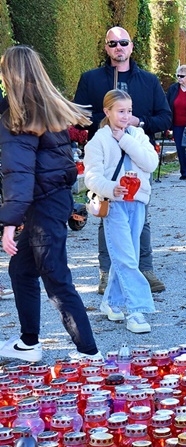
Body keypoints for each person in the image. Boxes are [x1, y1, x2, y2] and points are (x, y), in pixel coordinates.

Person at [0, 45, 102, 362]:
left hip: (42, 205)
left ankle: (89, 353)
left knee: (56, 278)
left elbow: (19, 174)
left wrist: (7, 223)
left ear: (9, 74)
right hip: (50, 200)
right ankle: (29, 343)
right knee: (21, 269)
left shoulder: (19, 113)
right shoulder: (46, 106)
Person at [74, 26, 171, 295]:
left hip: (138, 156)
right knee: (107, 213)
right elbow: (79, 115)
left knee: (141, 213)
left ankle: (145, 267)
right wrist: (108, 124)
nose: (119, 47)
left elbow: (165, 118)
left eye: (123, 42)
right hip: (105, 156)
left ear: (131, 46)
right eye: (113, 43)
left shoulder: (149, 81)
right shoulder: (91, 79)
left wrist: (137, 122)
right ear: (106, 48)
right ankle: (107, 272)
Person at [84, 89, 159, 333]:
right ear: (107, 112)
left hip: (137, 201)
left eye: (129, 111)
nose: (126, 116)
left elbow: (150, 163)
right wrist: (110, 188)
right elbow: (92, 176)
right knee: (126, 256)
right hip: (114, 203)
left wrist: (125, 139)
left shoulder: (137, 134)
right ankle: (137, 310)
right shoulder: (98, 141)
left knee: (127, 254)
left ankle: (111, 302)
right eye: (121, 111)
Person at [166, 65, 186, 181]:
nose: (179, 78)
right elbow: (167, 104)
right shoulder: (173, 89)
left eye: (182, 76)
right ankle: (184, 171)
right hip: (177, 124)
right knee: (180, 148)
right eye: (178, 76)